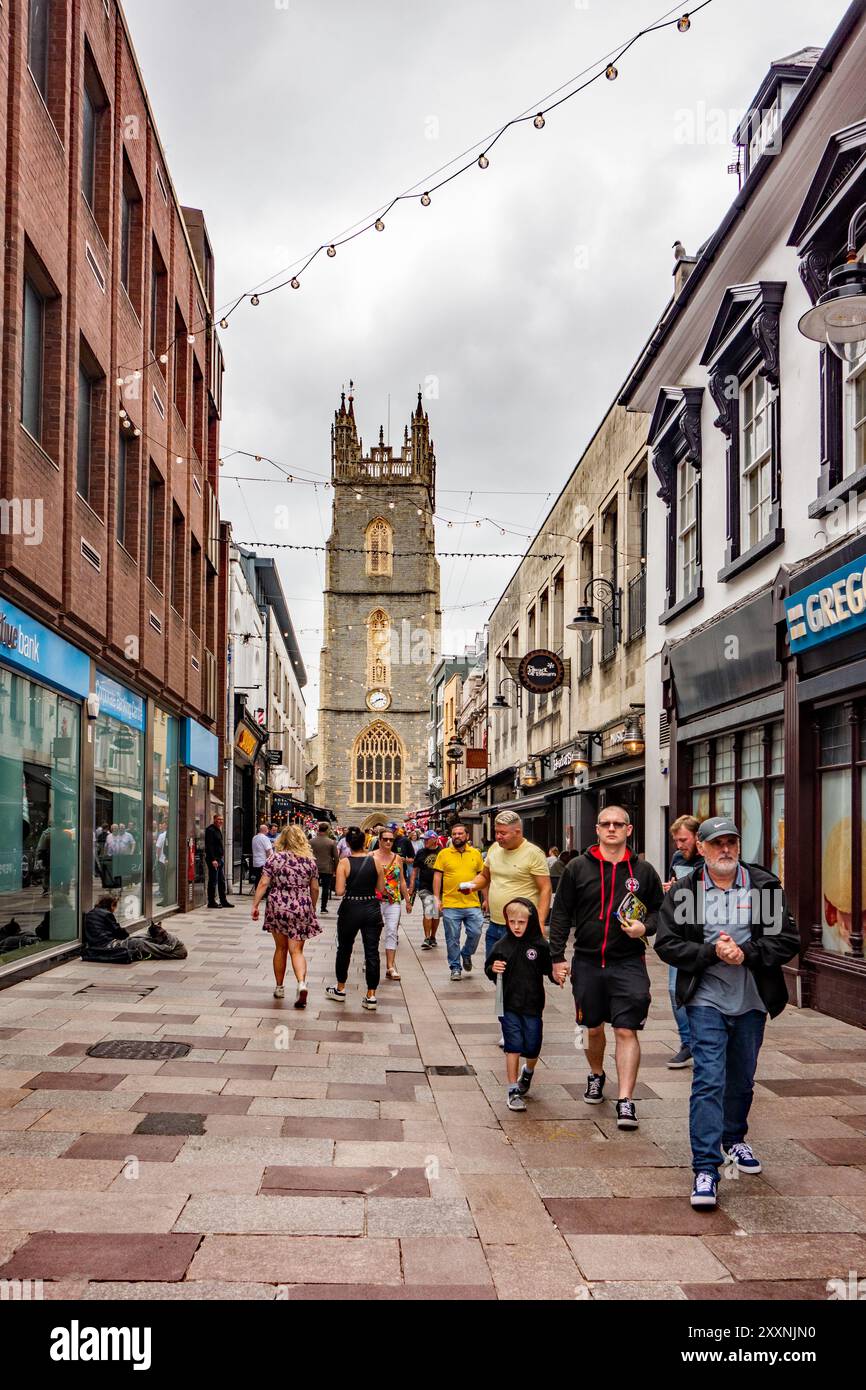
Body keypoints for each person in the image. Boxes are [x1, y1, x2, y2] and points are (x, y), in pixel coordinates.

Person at [654, 816, 799, 1210]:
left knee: (742, 1080)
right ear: (700, 847)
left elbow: (786, 940)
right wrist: (710, 953)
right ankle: (705, 1167)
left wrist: (746, 953)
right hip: (705, 999)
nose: (725, 850)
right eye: (716, 843)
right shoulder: (687, 891)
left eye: (731, 842)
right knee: (708, 1080)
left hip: (752, 1000)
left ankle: (733, 1138)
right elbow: (666, 945)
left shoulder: (761, 886)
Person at [549, 805, 663, 1131]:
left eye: (618, 824)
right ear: (597, 830)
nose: (611, 829)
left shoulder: (643, 872)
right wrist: (557, 957)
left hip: (628, 962)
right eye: (605, 824)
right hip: (586, 961)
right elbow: (561, 915)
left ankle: (626, 1100)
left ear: (629, 830)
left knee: (627, 1029)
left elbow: (659, 911)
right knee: (590, 1029)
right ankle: (596, 1074)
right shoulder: (577, 868)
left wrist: (646, 928)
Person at [486, 897, 556, 1110]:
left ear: (530, 921)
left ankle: (528, 1072)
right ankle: (512, 1089)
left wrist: (559, 975)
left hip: (533, 1005)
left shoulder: (540, 946)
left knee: (533, 1047)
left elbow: (549, 969)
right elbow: (489, 968)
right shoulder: (501, 945)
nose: (516, 926)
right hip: (508, 1005)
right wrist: (493, 969)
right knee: (513, 1045)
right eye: (512, 921)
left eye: (521, 922)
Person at [460, 811, 551, 960]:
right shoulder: (495, 848)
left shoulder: (533, 853)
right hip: (495, 924)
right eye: (496, 832)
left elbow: (545, 888)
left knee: (518, 974)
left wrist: (540, 923)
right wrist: (472, 886)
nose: (498, 837)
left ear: (518, 832)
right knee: (493, 971)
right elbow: (484, 876)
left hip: (521, 927)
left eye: (503, 833)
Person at [251, 825, 320, 1005]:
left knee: (280, 948)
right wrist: (311, 907)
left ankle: (279, 987)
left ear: (282, 840)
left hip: (278, 906)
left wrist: (255, 904)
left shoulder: (275, 858)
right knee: (296, 950)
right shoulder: (309, 861)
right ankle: (302, 984)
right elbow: (314, 888)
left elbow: (264, 883)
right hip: (301, 906)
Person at [326, 826, 387, 1010]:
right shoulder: (375, 861)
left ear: (349, 844)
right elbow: (381, 889)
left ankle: (340, 988)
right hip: (371, 908)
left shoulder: (344, 863)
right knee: (372, 952)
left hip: (350, 908)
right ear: (365, 843)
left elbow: (339, 891)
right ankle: (371, 996)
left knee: (344, 949)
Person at [663, 815, 701, 1069]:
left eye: (683, 840)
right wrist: (671, 889)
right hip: (680, 933)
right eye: (676, 840)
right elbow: (675, 890)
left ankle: (701, 1044)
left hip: (702, 936)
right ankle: (688, 1042)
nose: (679, 845)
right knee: (675, 990)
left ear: (698, 838)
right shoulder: (678, 859)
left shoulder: (710, 860)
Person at [433, 823, 485, 980]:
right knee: (452, 938)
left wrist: (486, 899)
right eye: (454, 834)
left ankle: (467, 953)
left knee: (476, 932)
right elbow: (437, 877)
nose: (457, 836)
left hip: (472, 903)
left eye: (460, 833)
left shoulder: (476, 854)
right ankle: (455, 967)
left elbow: (483, 877)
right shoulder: (444, 854)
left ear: (467, 836)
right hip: (450, 904)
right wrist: (436, 898)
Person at [372, 827, 412, 980]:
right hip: (375, 900)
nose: (388, 842)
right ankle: (371, 960)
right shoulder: (371, 856)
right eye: (385, 839)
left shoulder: (398, 858)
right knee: (373, 933)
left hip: (393, 901)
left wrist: (407, 900)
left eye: (391, 839)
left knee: (392, 932)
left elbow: (402, 880)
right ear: (379, 840)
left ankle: (390, 966)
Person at [410, 829, 443, 950]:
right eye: (423, 839)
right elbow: (415, 870)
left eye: (427, 839)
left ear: (434, 839)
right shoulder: (421, 852)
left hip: (441, 888)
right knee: (429, 910)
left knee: (436, 914)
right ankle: (427, 937)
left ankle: (433, 937)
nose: (424, 841)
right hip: (425, 887)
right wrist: (412, 885)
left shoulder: (442, 852)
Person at [205, 813, 233, 909]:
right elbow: (209, 846)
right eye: (218, 819)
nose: (220, 821)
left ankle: (223, 900)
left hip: (219, 859)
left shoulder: (218, 830)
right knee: (213, 881)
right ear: (214, 819)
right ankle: (211, 902)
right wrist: (213, 859)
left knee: (221, 881)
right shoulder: (210, 830)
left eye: (222, 819)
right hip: (213, 859)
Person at [310, 822, 339, 914]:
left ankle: (311, 906)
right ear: (327, 830)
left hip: (313, 867)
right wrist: (336, 868)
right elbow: (336, 857)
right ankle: (323, 907)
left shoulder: (311, 841)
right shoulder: (331, 842)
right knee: (326, 888)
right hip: (327, 868)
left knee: (312, 887)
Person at [250, 822, 273, 890]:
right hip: (263, 862)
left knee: (258, 878)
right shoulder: (265, 838)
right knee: (264, 879)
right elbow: (269, 851)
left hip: (256, 862)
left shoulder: (254, 838)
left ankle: (257, 891)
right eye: (268, 829)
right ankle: (263, 893)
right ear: (265, 830)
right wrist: (271, 860)